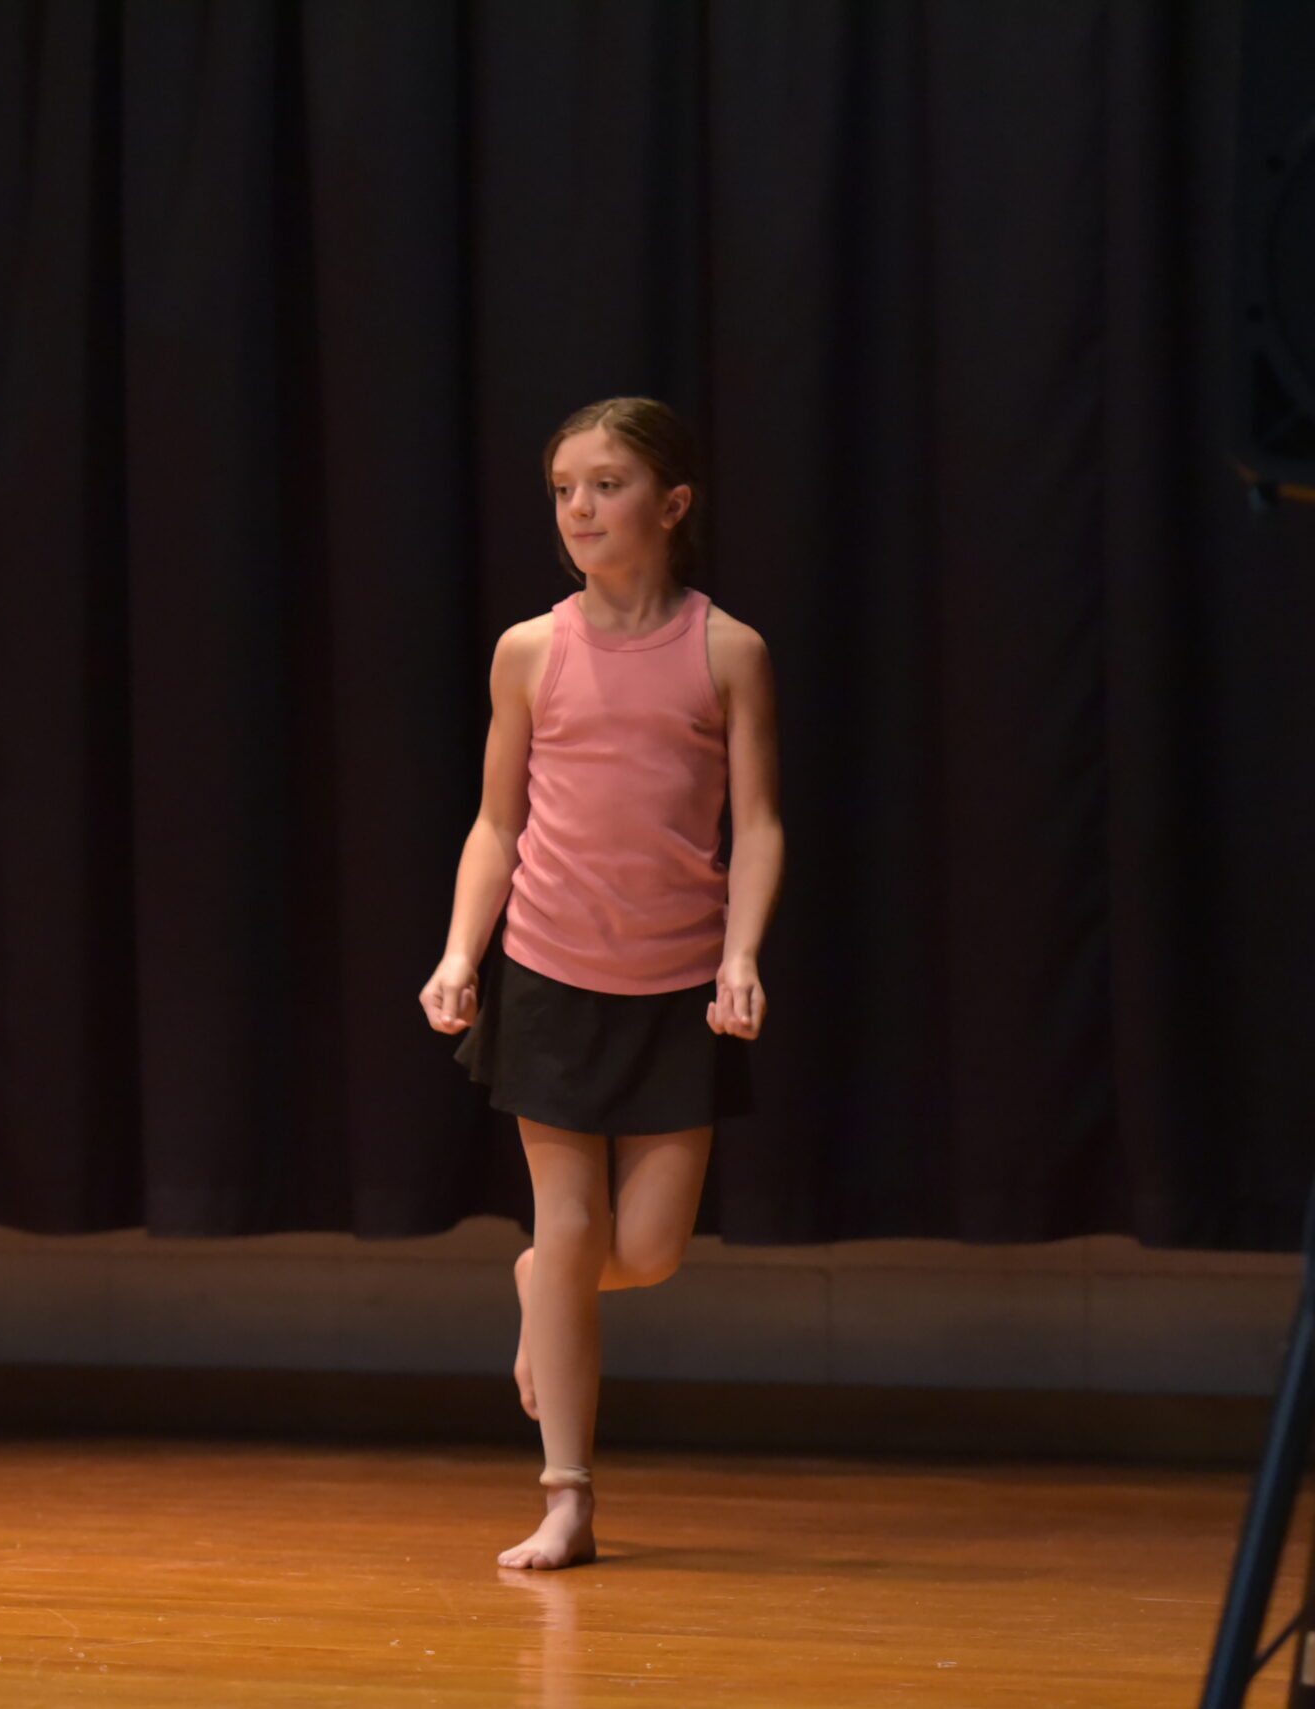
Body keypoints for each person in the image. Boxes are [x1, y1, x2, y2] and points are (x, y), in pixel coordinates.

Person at [419, 396, 784, 1571]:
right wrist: (461, 951)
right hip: (550, 971)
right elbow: (495, 822)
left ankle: (546, 1283)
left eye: (606, 485)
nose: (579, 507)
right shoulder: (530, 650)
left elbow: (758, 823)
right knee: (569, 1221)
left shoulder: (727, 650)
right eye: (564, 488)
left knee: (650, 1247)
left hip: (676, 983)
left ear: (671, 504)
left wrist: (739, 952)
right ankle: (566, 1493)